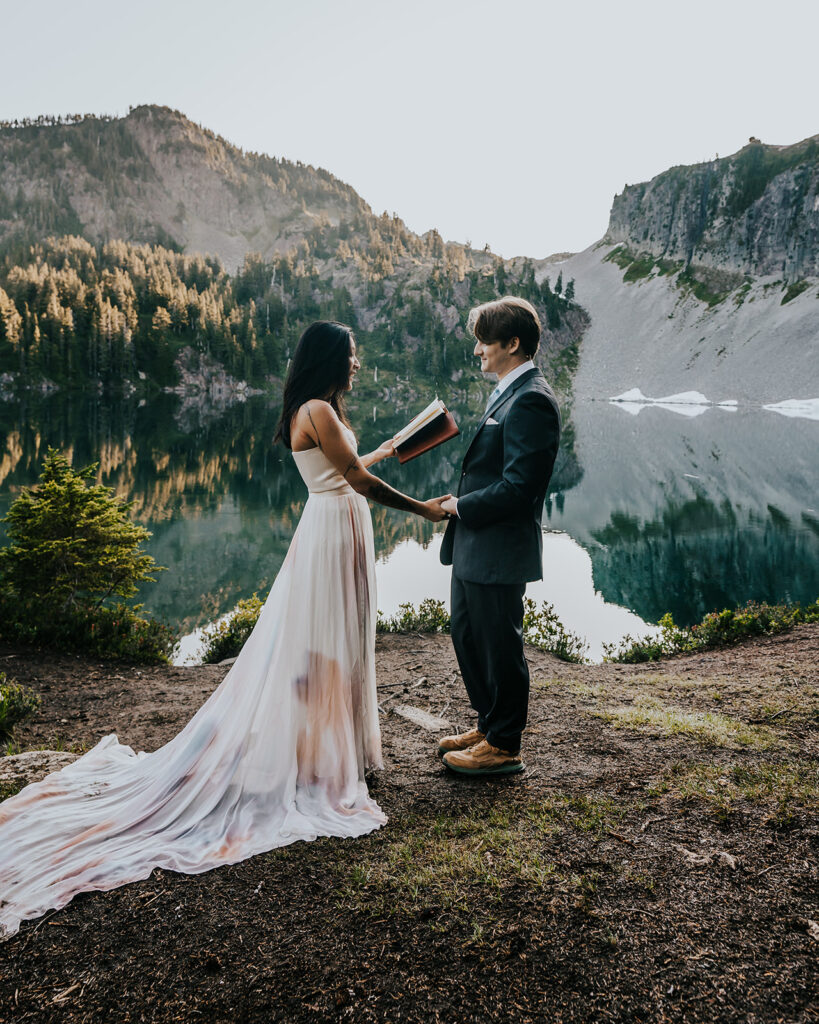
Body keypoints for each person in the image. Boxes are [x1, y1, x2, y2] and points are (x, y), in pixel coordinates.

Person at [0, 320, 450, 940]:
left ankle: (324, 752)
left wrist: (390, 446)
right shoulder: (317, 407)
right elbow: (358, 483)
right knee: (319, 648)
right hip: (331, 530)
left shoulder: (319, 408)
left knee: (337, 648)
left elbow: (346, 470)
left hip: (340, 525)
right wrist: (426, 510)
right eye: (348, 355)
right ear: (325, 359)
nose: (355, 363)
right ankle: (316, 763)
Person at [437, 297, 561, 775]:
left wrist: (461, 505)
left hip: (498, 547)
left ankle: (505, 744)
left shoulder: (532, 398)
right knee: (468, 634)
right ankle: (489, 724)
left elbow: (519, 488)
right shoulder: (509, 391)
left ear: (512, 343)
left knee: (498, 642)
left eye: (484, 340)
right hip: (475, 542)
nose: (477, 350)